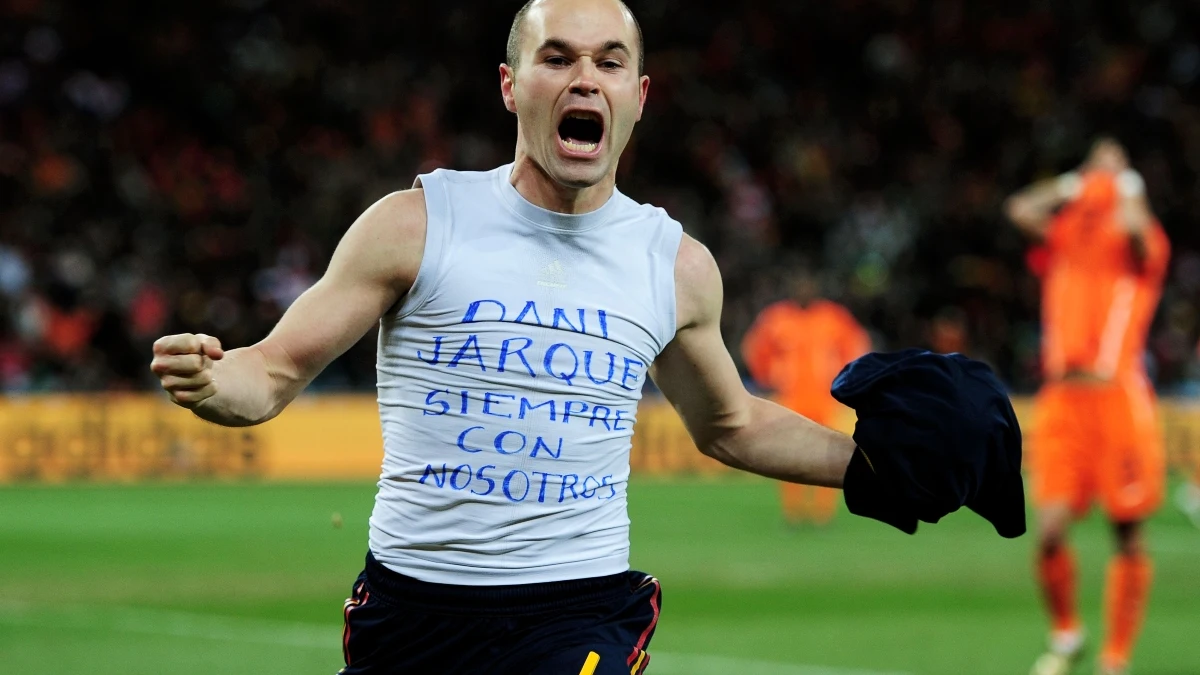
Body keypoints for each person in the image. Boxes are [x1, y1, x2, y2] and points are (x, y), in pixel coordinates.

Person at [150, 1, 1016, 672]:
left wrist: (869, 467)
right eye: (556, 58)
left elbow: (731, 424)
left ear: (638, 98)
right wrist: (215, 381)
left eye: (609, 61)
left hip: (576, 610)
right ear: (509, 84)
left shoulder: (674, 264)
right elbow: (273, 371)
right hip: (410, 613)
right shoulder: (417, 223)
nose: (584, 79)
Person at [1005, 138, 1170, 675]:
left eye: (1111, 163)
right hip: (1062, 398)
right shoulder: (1067, 235)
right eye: (1094, 163)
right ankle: (1067, 632)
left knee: (1126, 530)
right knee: (1049, 530)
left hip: (1117, 395)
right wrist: (1072, 183)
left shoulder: (1138, 244)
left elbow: (1144, 239)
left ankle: (1115, 655)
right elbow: (1019, 209)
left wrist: (1128, 184)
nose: (1101, 172)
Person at [741, 266, 870, 526]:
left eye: (808, 287)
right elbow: (754, 349)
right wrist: (768, 376)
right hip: (791, 398)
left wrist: (847, 379)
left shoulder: (832, 316)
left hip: (825, 398)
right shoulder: (777, 317)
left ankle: (823, 512)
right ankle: (794, 510)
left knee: (828, 453)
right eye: (799, 287)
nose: (804, 291)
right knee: (788, 454)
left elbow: (856, 345)